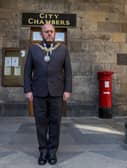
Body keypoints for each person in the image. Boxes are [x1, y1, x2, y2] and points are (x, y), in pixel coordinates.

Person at [24, 24, 72, 165]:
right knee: (40, 123)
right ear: (41, 34)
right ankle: (43, 151)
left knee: (55, 123)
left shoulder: (63, 50)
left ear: (55, 33)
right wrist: (28, 90)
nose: (49, 33)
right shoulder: (34, 50)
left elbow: (68, 72)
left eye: (51, 31)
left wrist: (67, 89)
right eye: (46, 32)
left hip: (57, 92)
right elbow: (27, 72)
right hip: (38, 92)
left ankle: (52, 152)